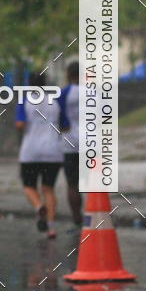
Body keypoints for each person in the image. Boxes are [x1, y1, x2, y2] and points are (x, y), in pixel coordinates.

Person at [15, 72, 68, 239]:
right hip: (53, 151)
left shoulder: (24, 100)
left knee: (28, 186)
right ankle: (51, 228)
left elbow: (20, 124)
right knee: (48, 189)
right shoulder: (56, 101)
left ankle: (38, 207)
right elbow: (65, 126)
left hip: (30, 152)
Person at [59, 61, 82, 228]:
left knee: (73, 184)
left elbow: (60, 119)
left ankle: (77, 220)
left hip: (70, 144)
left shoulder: (63, 93)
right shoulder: (95, 92)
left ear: (68, 74)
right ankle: (98, 217)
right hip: (92, 143)